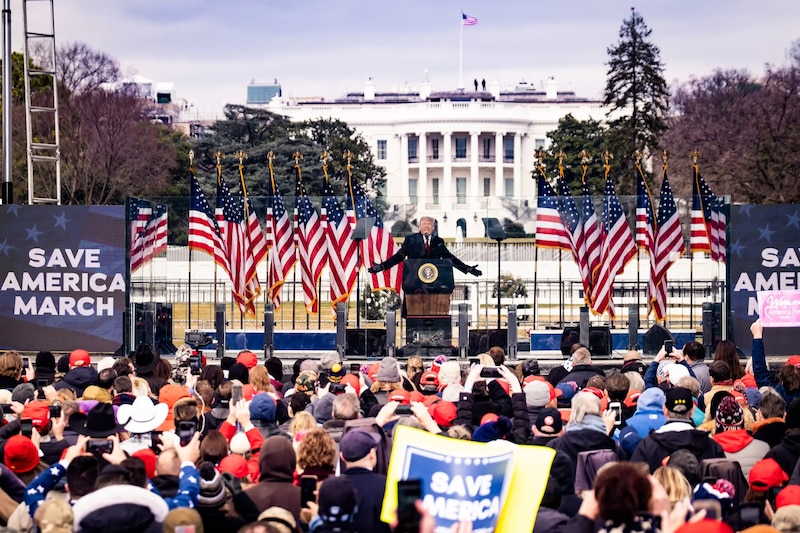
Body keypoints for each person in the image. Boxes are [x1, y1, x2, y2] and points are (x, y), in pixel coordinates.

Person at [367, 216, 481, 277]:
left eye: (429, 224)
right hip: (414, 279)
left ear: (433, 227)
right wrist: (382, 266)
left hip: (434, 280)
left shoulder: (438, 241)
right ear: (419, 226)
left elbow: (449, 258)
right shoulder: (411, 240)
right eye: (424, 224)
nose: (427, 227)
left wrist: (467, 268)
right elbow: (399, 256)